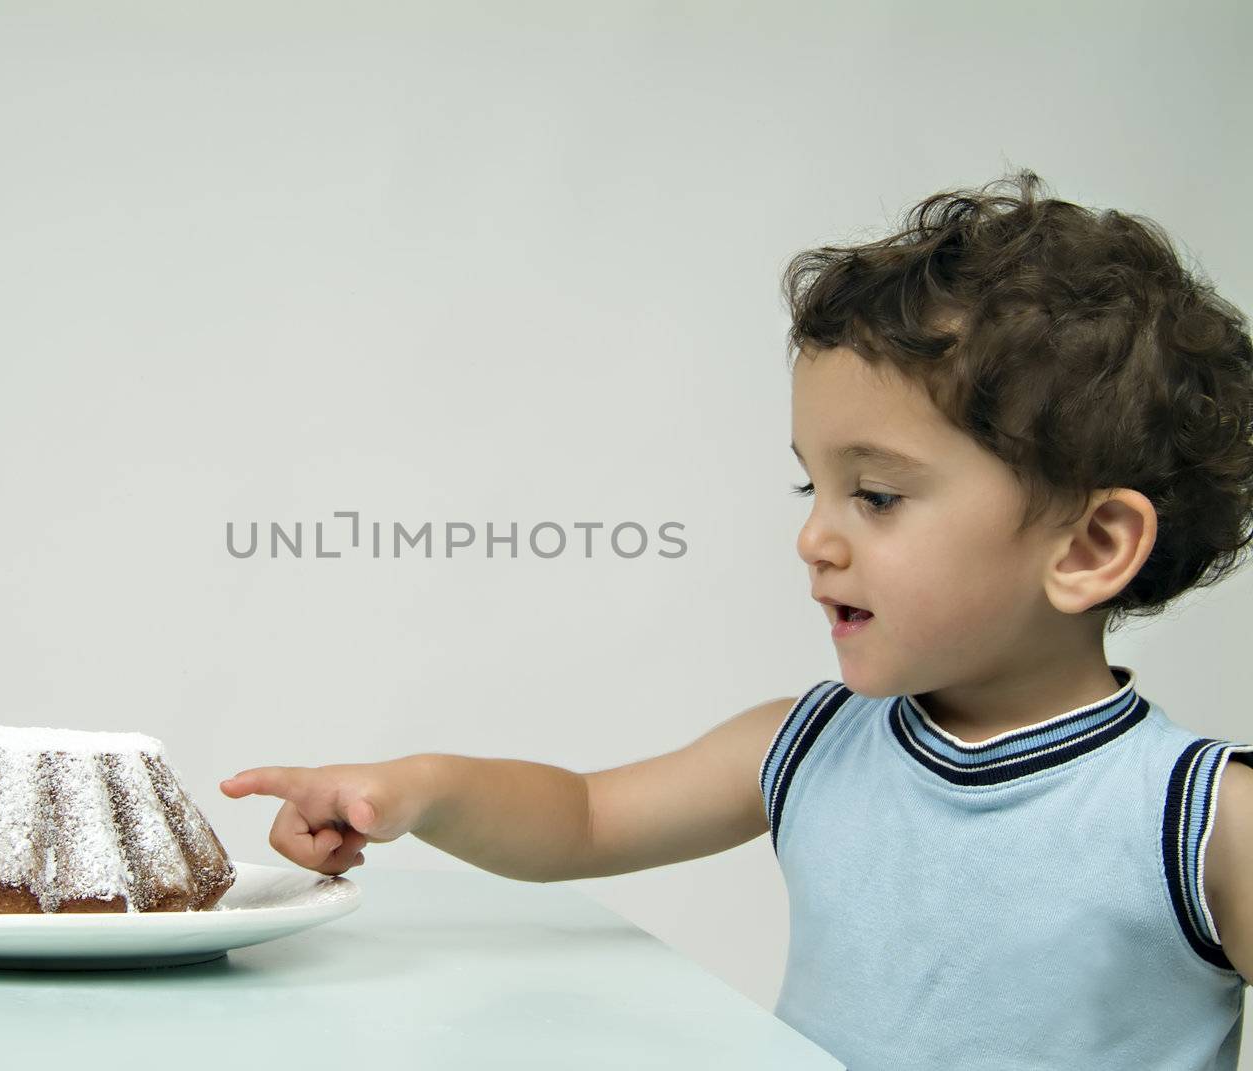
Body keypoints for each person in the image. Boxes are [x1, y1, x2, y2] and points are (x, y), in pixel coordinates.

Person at [219, 170, 1253, 1070]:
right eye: (811, 490)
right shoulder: (807, 748)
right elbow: (583, 818)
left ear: (1087, 548)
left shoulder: (1203, 823)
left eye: (877, 497)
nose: (815, 539)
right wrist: (419, 791)